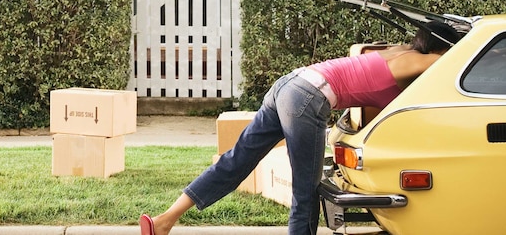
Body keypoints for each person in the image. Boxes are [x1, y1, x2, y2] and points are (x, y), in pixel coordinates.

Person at [139, 20, 463, 235]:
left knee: (237, 160)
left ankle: (164, 221)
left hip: (290, 84)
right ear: (438, 50)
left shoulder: (395, 53)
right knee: (306, 190)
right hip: (307, 97)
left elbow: (365, 77)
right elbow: (455, 60)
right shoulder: (419, 62)